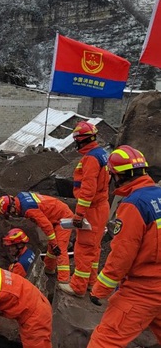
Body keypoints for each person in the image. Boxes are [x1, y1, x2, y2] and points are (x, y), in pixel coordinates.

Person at [87, 146, 161, 348]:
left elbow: (122, 255)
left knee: (105, 340)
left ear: (118, 176)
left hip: (143, 290)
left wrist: (100, 289)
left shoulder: (134, 204)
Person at [59, 121, 110, 297]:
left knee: (83, 248)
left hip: (92, 209)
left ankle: (78, 287)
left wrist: (79, 214)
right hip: (101, 207)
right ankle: (90, 283)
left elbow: (88, 190)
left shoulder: (90, 159)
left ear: (81, 140)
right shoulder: (101, 154)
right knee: (94, 249)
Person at [0, 192, 72, 283]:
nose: (11, 215)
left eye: (10, 212)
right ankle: (49, 268)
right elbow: (7, 206)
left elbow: (47, 226)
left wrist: (54, 244)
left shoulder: (29, 210)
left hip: (63, 217)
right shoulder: (19, 197)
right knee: (52, 246)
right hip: (56, 211)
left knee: (59, 248)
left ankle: (64, 280)